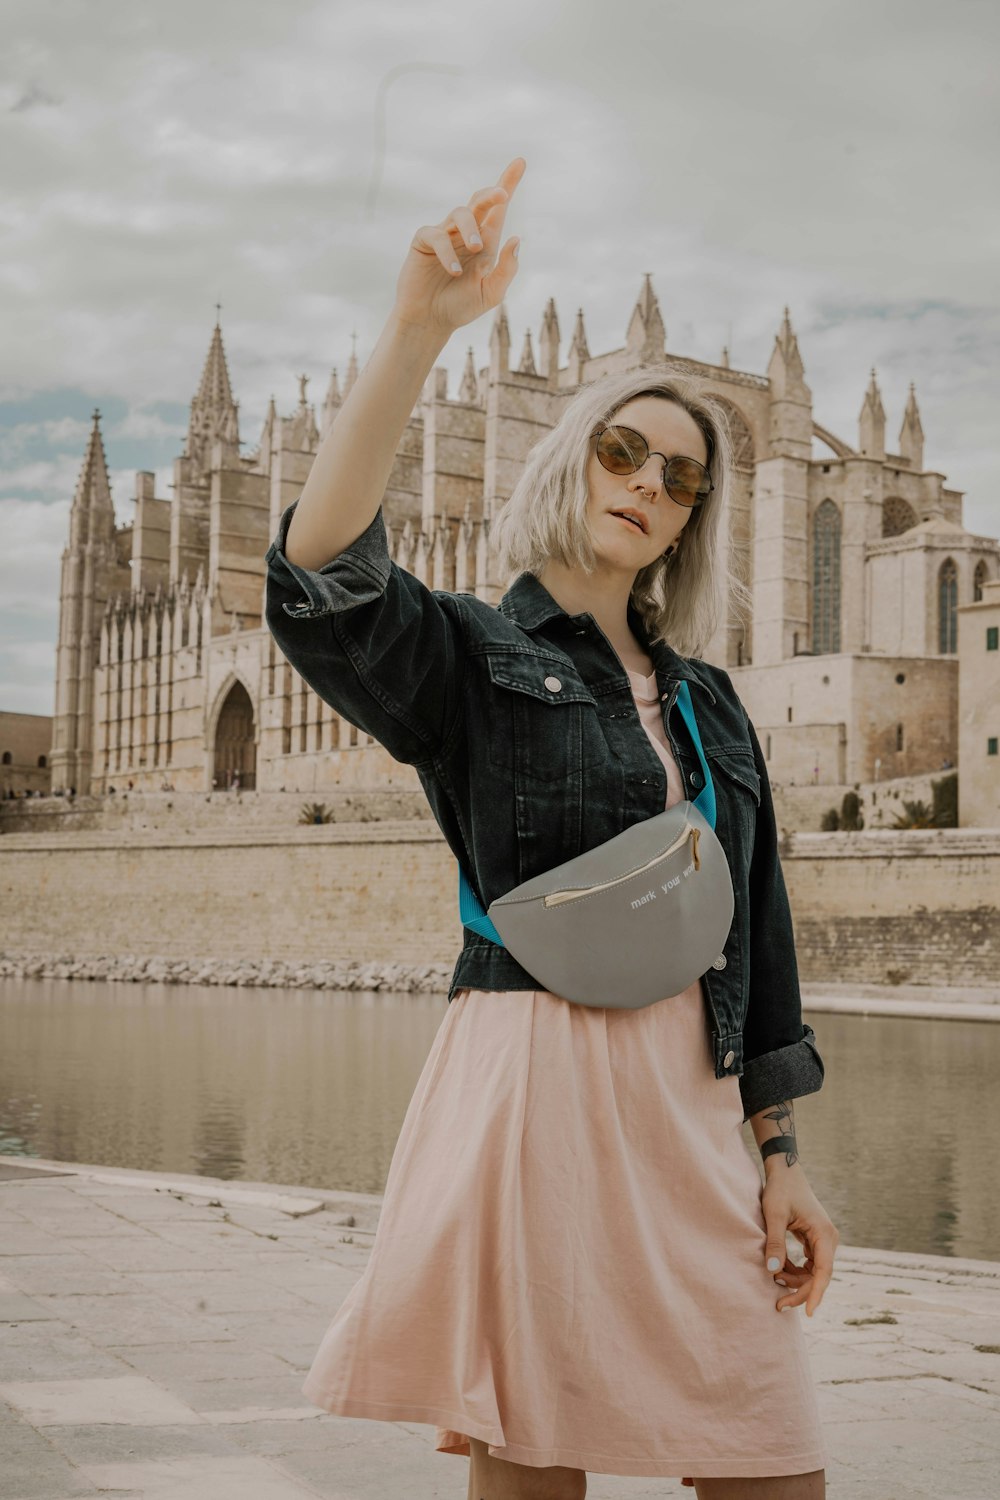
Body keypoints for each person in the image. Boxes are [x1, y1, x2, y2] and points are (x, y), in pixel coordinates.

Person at [264, 157, 838, 1499]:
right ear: (573, 456)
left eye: (683, 474)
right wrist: (419, 327)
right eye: (623, 448)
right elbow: (323, 574)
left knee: (773, 1458)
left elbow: (759, 936)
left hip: (691, 1107)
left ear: (698, 514)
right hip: (536, 1085)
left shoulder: (714, 705)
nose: (647, 481)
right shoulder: (472, 652)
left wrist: (782, 1157)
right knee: (536, 1462)